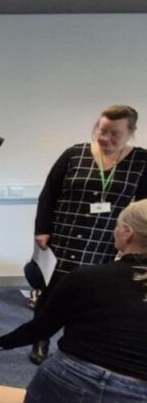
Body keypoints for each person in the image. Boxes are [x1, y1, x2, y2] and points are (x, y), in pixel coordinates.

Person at [0, 199, 147, 403]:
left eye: (117, 226)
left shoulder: (87, 277)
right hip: (139, 398)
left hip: (68, 380)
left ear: (128, 233)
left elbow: (42, 327)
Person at [28, 105, 147, 364]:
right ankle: (40, 339)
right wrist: (42, 229)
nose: (106, 139)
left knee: (92, 294)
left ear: (131, 132)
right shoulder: (75, 154)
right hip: (65, 236)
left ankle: (74, 340)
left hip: (107, 240)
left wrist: (135, 243)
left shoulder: (142, 161)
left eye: (115, 134)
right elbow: (49, 193)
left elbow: (142, 207)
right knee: (51, 291)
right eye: (102, 131)